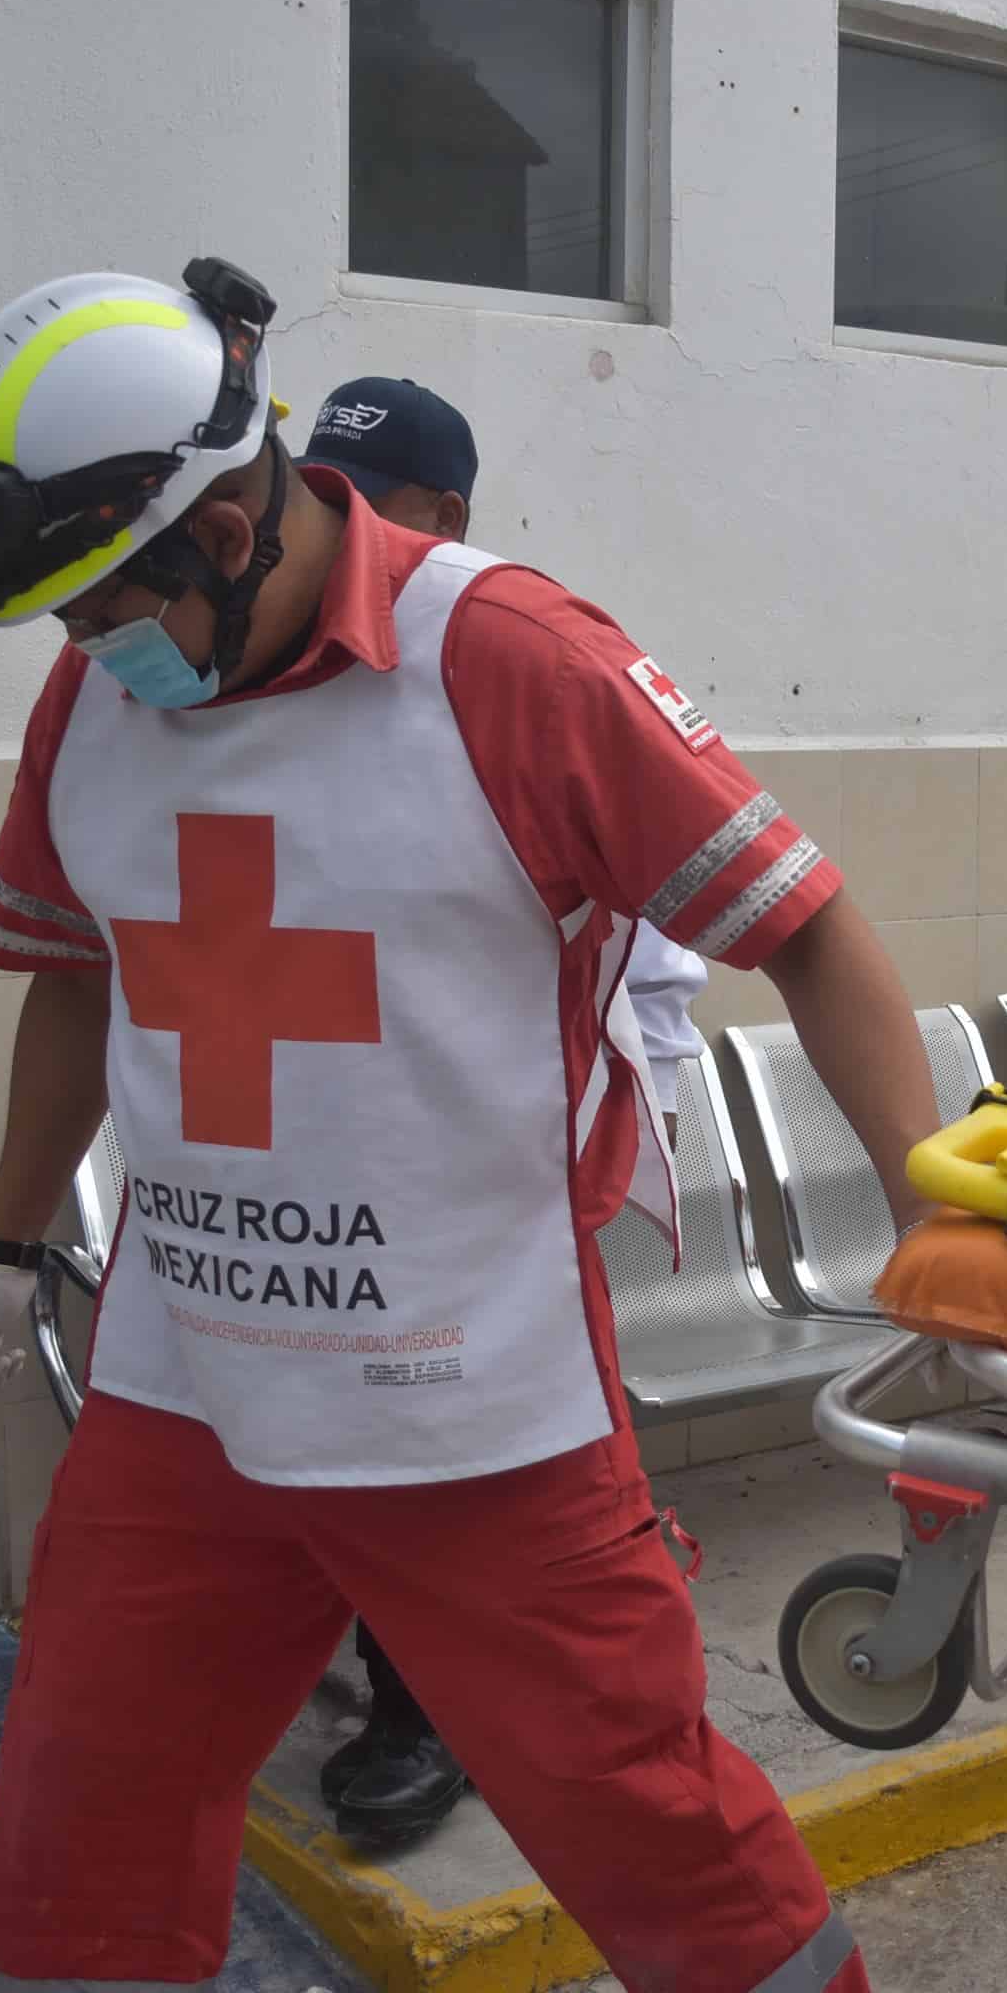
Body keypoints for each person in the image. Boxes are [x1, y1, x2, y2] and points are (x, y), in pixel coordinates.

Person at [0, 258, 931, 1992]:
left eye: (96, 609)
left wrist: (926, 1217)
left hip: (473, 1408)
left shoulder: (509, 663)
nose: (84, 654)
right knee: (84, 1826)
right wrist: (4, 1240)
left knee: (652, 1828)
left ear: (222, 537)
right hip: (180, 1390)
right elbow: (79, 976)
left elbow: (801, 924)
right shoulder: (105, 699)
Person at [292, 374, 716, 1844]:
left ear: (444, 516)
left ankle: (439, 1720)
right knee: (355, 1435)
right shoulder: (284, 691)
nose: (331, 537)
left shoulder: (515, 664)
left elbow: (662, 957)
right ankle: (405, 1688)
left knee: (455, 1452)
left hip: (493, 1178)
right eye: (312, 499)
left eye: (368, 508)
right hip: (330, 1169)